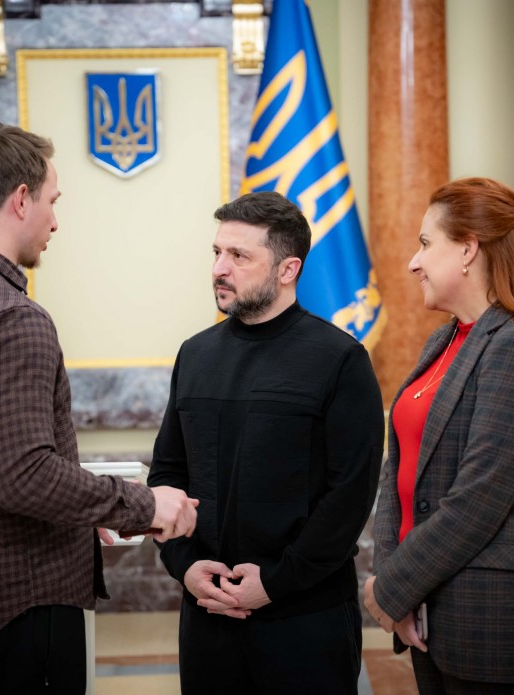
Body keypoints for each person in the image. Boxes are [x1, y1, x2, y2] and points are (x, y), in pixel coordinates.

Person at [0, 120, 198, 693]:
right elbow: (24, 477)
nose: (55, 221)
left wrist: (86, 511)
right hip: (23, 606)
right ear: (20, 200)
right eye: (52, 201)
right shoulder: (13, 317)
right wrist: (143, 505)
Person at [146, 191, 384, 695]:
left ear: (287, 269)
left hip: (305, 620)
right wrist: (185, 567)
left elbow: (349, 495)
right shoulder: (195, 354)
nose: (219, 268)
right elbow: (168, 473)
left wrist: (275, 582)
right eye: (217, 252)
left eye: (239, 256)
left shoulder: (340, 359)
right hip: (208, 615)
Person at [363, 177, 514, 694]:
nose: (413, 263)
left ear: (467, 249)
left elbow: (479, 498)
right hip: (427, 610)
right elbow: (400, 472)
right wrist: (396, 583)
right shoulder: (443, 341)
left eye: (425, 244)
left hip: (494, 621)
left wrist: (391, 587)